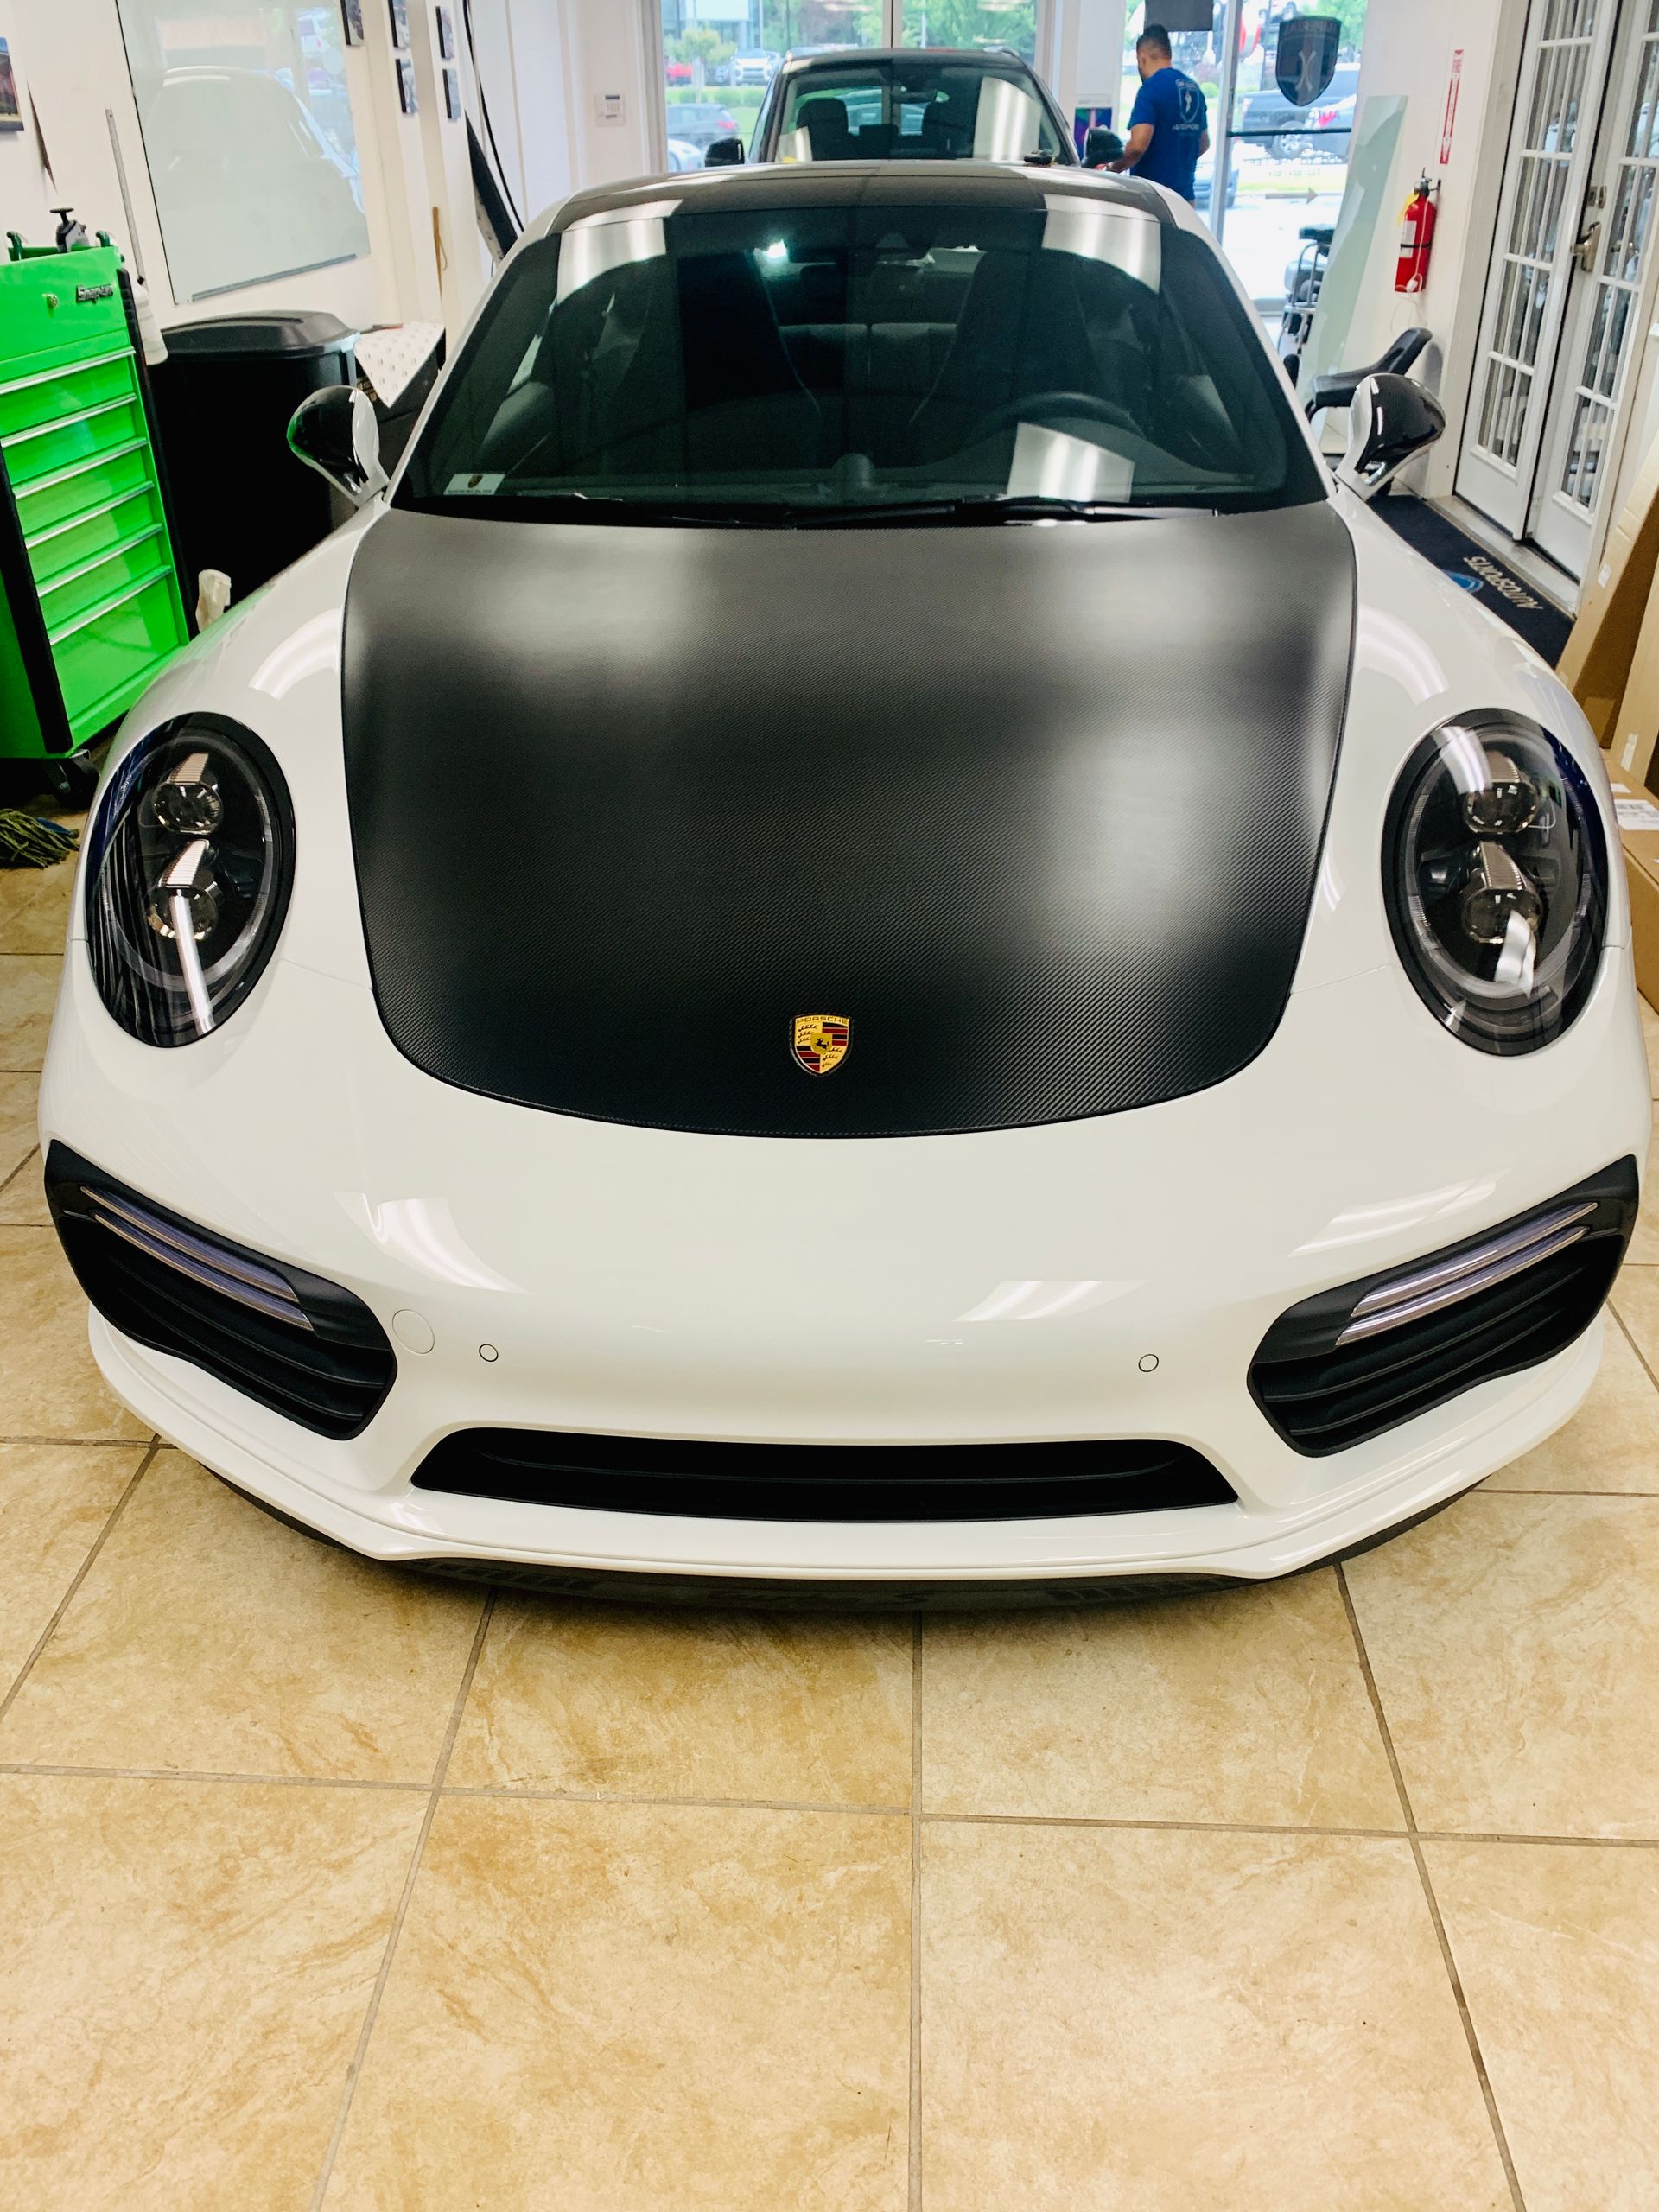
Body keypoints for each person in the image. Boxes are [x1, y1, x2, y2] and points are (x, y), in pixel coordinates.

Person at [1111, 24, 1209, 203]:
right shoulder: (1194, 89)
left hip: (1154, 200)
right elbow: (1203, 144)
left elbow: (1137, 146)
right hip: (1185, 201)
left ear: (1142, 57)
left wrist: (1111, 171)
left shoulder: (1151, 90)